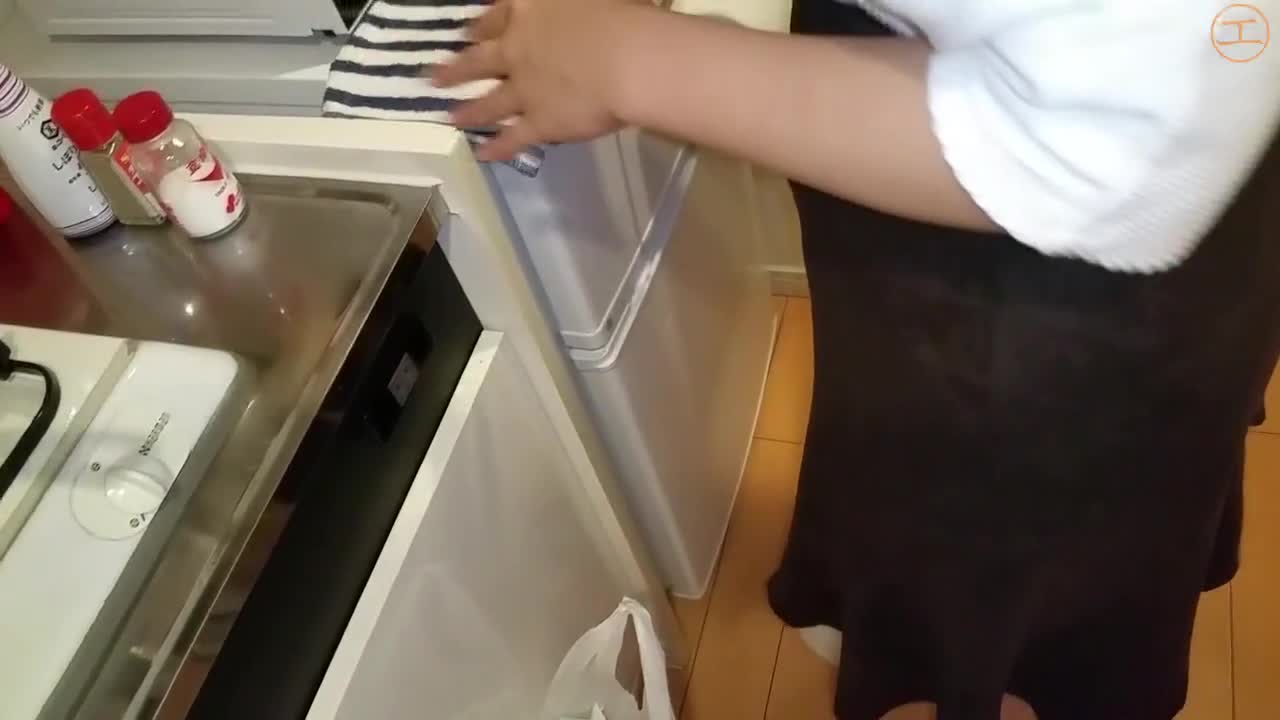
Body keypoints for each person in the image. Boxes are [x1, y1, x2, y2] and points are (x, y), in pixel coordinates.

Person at [433, 0, 1280, 718]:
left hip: (1069, 279)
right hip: (977, 167)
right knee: (917, 472)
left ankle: (1001, 677)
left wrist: (635, 61)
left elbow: (1135, 114)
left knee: (1015, 558)